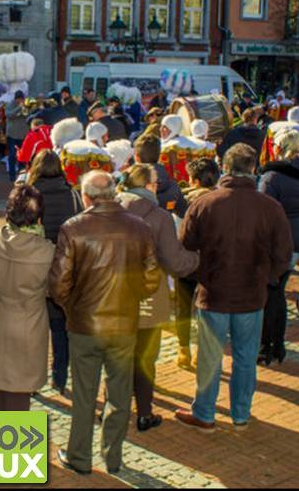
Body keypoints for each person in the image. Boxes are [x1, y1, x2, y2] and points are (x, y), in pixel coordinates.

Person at [48, 170, 161, 475]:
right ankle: (112, 457)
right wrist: (131, 296)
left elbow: (58, 284)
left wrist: (73, 305)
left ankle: (79, 456)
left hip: (85, 324)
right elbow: (152, 277)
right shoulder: (139, 227)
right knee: (119, 394)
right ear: (112, 193)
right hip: (124, 323)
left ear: (86, 197)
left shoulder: (74, 227)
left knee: (84, 395)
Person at [176, 143, 292, 432]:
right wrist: (267, 277)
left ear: (225, 167)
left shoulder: (206, 203)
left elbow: (186, 243)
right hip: (251, 293)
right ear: (253, 168)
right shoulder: (270, 207)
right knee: (244, 358)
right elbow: (283, 254)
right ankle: (240, 413)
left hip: (214, 291)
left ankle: (205, 412)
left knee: (211, 357)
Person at [117, 164, 199, 432]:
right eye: (155, 183)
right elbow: (175, 261)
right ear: (149, 186)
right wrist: (199, 259)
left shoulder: (108, 208)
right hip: (148, 295)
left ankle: (114, 410)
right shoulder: (160, 217)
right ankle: (144, 412)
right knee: (144, 357)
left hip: (112, 295)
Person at [0, 184, 57, 410]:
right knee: (19, 397)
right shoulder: (47, 251)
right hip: (29, 326)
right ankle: (14, 445)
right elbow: (55, 289)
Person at [258, 128, 299, 365]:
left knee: (267, 294)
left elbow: (262, 210)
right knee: (278, 292)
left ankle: (265, 345)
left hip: (274, 240)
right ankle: (278, 344)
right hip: (296, 237)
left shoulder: (272, 177)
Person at [27, 150, 81, 394]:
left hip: (34, 267)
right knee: (60, 328)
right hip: (63, 266)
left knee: (34, 328)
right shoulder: (72, 194)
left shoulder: (29, 194)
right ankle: (59, 377)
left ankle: (31, 379)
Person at [175, 158, 220, 370]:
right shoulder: (223, 199)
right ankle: (203, 350)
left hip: (188, 260)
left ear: (193, 180)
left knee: (183, 306)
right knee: (208, 306)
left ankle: (183, 349)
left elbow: (180, 234)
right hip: (213, 262)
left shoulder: (185, 202)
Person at [133, 135, 186, 215]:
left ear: (137, 157)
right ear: (159, 156)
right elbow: (183, 212)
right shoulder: (173, 185)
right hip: (163, 225)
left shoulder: (127, 182)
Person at [5, 91, 30, 182]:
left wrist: (26, 108)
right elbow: (9, 115)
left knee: (22, 157)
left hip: (23, 135)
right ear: (15, 99)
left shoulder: (26, 105)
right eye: (18, 99)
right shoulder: (10, 105)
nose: (20, 100)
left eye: (21, 99)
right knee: (12, 156)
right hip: (12, 135)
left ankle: (21, 176)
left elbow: (29, 115)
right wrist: (19, 107)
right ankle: (12, 176)